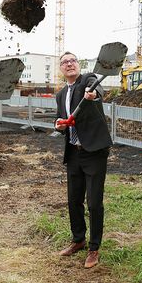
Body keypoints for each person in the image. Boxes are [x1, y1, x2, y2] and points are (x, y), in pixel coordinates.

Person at [54, 51, 112, 269]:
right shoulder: (61, 94)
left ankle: (94, 248)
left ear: (79, 65)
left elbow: (98, 88)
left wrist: (93, 94)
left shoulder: (87, 80)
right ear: (61, 69)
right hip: (73, 152)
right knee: (73, 200)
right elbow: (60, 119)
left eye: (73, 61)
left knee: (94, 202)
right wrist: (58, 125)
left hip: (94, 150)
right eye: (64, 62)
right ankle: (78, 239)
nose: (69, 64)